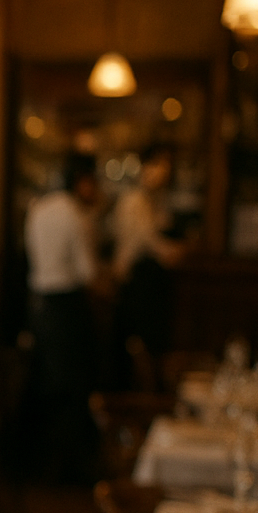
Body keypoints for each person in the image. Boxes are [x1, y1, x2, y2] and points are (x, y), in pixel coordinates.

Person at [24, 153, 102, 480]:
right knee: (72, 386)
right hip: (68, 307)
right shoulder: (76, 214)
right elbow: (88, 272)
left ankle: (42, 465)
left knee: (46, 383)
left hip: (39, 306)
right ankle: (68, 470)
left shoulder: (38, 208)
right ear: (81, 182)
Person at [111, 143, 184, 383]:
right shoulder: (135, 200)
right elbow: (148, 242)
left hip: (147, 280)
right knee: (142, 346)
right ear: (146, 166)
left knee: (151, 345)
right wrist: (172, 252)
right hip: (138, 280)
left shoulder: (154, 201)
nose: (164, 171)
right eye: (160, 164)